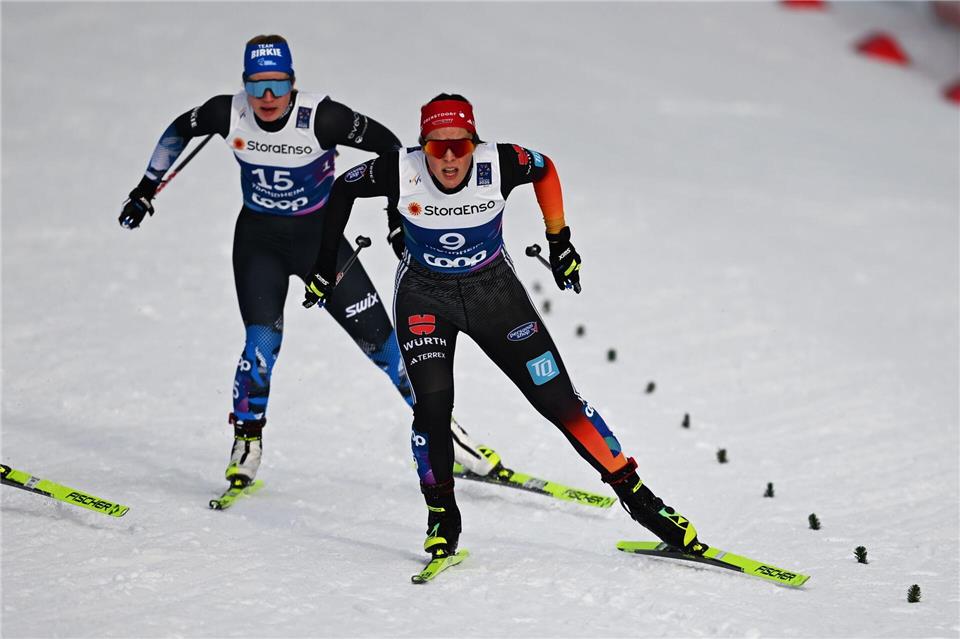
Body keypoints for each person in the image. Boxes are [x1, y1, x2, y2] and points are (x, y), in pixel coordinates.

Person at [303, 94, 708, 560]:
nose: (450, 158)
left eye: (461, 146)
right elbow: (342, 190)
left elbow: (546, 169)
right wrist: (321, 265)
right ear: (422, 148)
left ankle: (645, 504)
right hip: (424, 298)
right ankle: (441, 517)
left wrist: (560, 242)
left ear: (475, 142)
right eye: (437, 148)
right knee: (433, 411)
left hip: (494, 295)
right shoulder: (399, 169)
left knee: (559, 400)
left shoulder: (503, 162)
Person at [117, 37, 503, 490]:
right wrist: (146, 187)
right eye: (257, 85)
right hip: (259, 244)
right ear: (244, 84)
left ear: (292, 82)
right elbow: (180, 129)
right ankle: (247, 439)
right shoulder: (228, 112)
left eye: (277, 84)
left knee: (385, 344)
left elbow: (391, 149)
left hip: (321, 246)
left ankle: (446, 435)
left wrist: (396, 219)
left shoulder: (324, 118)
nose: (266, 97)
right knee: (261, 344)